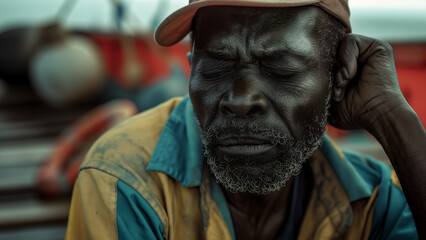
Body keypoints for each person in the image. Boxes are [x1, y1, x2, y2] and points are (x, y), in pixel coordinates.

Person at [65, 0, 426, 239]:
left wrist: (389, 114)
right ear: (190, 70)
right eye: (218, 66)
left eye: (281, 68)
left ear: (336, 78)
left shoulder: (375, 201)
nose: (240, 99)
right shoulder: (124, 182)